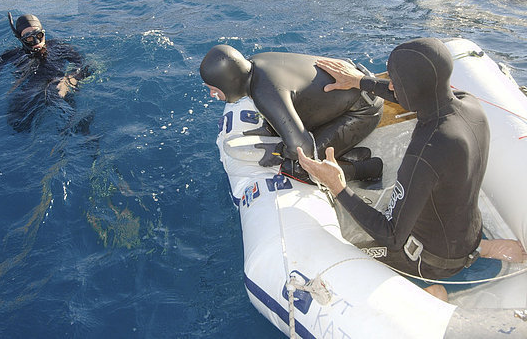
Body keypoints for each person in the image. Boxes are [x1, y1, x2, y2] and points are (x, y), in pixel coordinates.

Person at [297, 38, 526, 300]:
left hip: (431, 260)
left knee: (346, 253)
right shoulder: (469, 104)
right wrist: (359, 81)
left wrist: (337, 185)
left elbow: (391, 235)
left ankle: (429, 294)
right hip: (467, 235)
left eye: (396, 80)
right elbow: (417, 93)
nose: (391, 85)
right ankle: (480, 249)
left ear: (414, 86)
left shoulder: (426, 151)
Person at [200, 44, 384, 183]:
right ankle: (345, 153)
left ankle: (367, 169)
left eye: (214, 89)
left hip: (363, 110)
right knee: (276, 131)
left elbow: (302, 149)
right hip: (354, 90)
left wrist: (280, 152)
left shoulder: (265, 92)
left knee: (299, 168)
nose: (212, 94)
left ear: (229, 82)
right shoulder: (256, 62)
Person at [0, 12, 91, 132]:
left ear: (44, 33)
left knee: (73, 121)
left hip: (58, 85)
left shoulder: (59, 47)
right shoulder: (12, 55)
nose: (36, 42)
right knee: (16, 124)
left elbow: (86, 64)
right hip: (30, 90)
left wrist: (71, 79)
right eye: (29, 39)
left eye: (38, 36)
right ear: (21, 39)